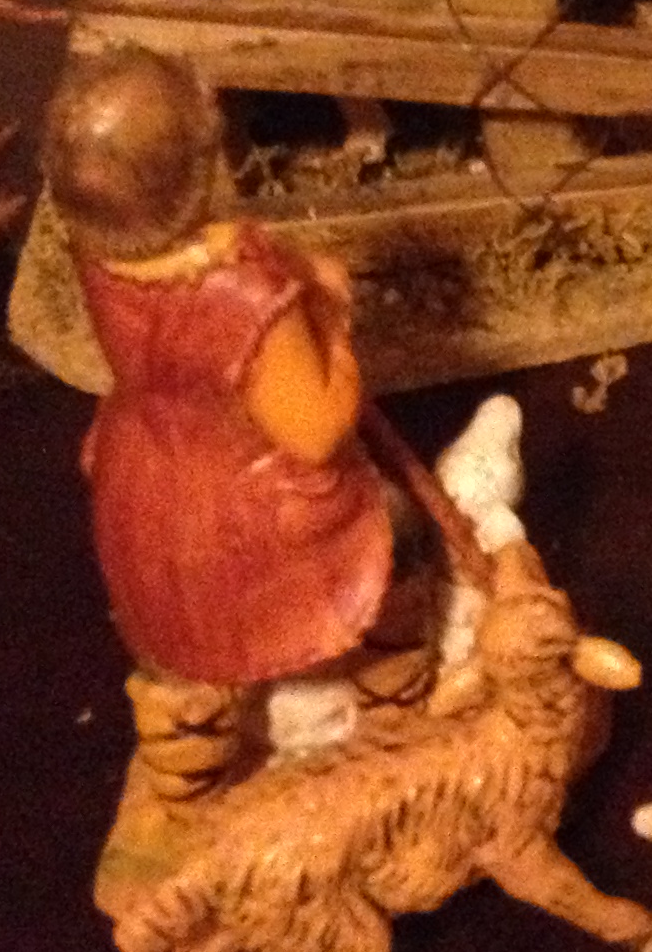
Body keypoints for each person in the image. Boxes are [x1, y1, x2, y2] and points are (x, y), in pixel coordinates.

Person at [45, 49, 394, 740]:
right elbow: (317, 431)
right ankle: (342, 683)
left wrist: (294, 269)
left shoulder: (100, 255)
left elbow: (204, 273)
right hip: (239, 507)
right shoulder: (244, 301)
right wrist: (332, 325)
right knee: (368, 534)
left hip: (144, 472)